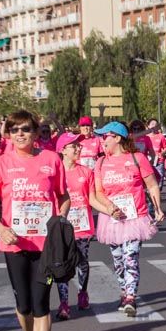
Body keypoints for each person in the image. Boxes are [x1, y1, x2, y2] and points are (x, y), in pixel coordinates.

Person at [0, 110, 69, 331]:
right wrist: (1, 229)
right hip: (14, 244)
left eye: (26, 129)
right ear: (8, 134)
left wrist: (59, 221)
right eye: (15, 129)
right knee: (24, 305)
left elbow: (63, 197)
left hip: (45, 247)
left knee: (42, 303)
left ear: (35, 132)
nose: (21, 134)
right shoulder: (1, 164)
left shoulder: (51, 160)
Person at [93, 121, 165, 317]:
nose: (101, 140)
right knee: (118, 260)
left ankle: (131, 297)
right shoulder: (101, 162)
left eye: (104, 136)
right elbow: (98, 192)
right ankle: (124, 290)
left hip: (136, 217)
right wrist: (109, 207)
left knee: (130, 257)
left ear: (117, 137)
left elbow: (151, 185)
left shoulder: (137, 158)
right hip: (112, 219)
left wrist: (157, 208)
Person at [55, 136, 102, 319]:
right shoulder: (55, 172)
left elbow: (92, 199)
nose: (78, 149)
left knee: (82, 260)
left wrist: (109, 209)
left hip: (82, 224)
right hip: (62, 226)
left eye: (78, 146)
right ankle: (64, 303)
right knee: (62, 264)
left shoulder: (86, 172)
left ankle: (83, 293)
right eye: (73, 146)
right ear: (63, 150)